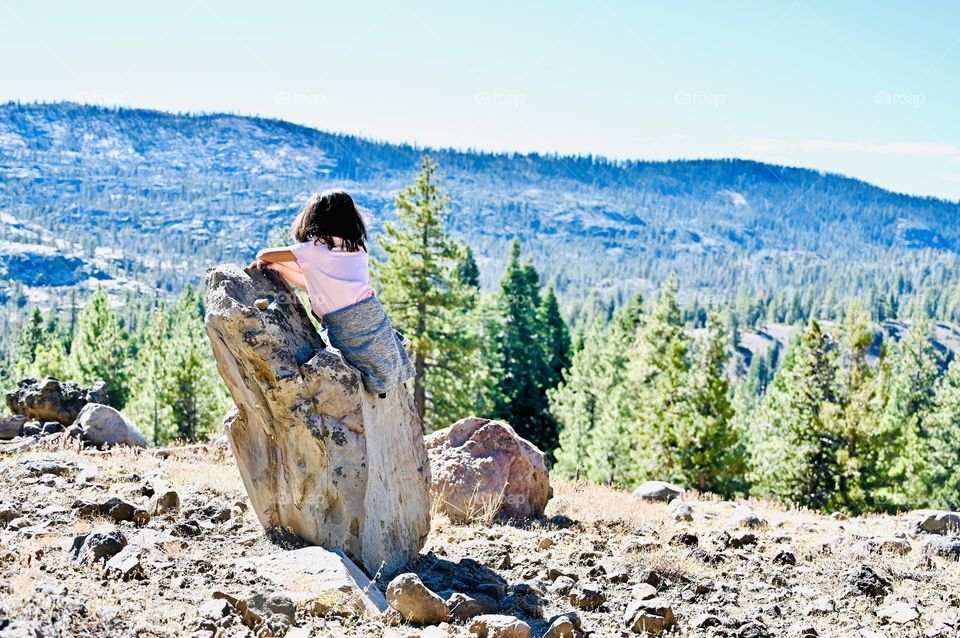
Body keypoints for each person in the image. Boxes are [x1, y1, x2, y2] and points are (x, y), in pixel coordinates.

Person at [251, 189, 412, 397]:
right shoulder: (357, 249)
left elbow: (263, 254)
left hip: (344, 323)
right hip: (373, 314)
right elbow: (314, 282)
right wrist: (280, 269)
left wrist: (273, 263)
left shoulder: (311, 250)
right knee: (378, 361)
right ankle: (392, 339)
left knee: (350, 358)